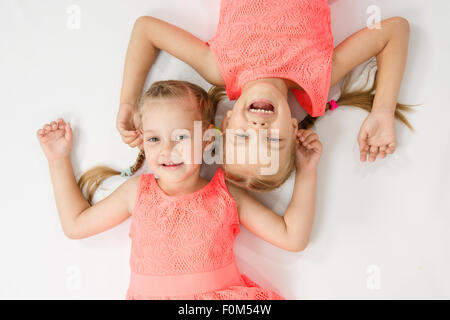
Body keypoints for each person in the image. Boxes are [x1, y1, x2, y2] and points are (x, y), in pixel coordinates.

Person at [37, 80, 322, 299]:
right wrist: (58, 160)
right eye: (154, 139)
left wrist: (307, 170)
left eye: (181, 137)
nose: (167, 150)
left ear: (208, 139)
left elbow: (292, 237)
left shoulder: (225, 195)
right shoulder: (137, 192)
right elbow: (76, 225)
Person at [117, 0, 413, 191]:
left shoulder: (218, 67)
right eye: (273, 140)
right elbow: (394, 30)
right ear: (294, 128)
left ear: (228, 122)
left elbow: (146, 30)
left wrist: (128, 102)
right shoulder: (318, 78)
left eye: (242, 137)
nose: (258, 129)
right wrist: (383, 111)